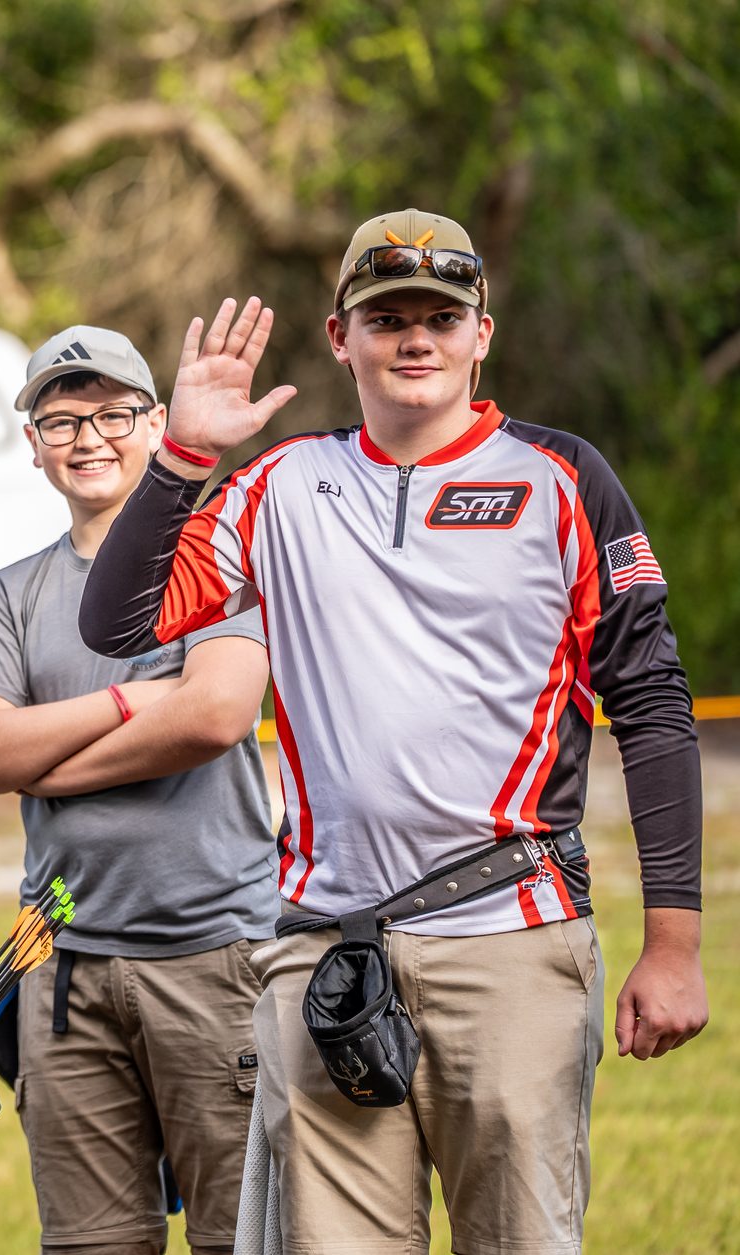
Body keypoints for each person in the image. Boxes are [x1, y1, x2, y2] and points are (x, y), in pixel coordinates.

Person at [79, 209, 707, 1253]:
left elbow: (650, 701)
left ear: (481, 335)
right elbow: (117, 622)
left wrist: (674, 945)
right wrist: (183, 454)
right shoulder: (278, 486)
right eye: (387, 318)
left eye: (440, 317)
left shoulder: (562, 478)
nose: (416, 338)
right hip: (325, 946)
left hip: (512, 936)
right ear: (342, 338)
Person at [0, 325, 275, 1255]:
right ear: (34, 445)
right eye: (62, 421)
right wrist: (132, 699)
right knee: (90, 1242)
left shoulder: (217, 559)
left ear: (156, 424)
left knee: (241, 1235)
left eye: (113, 414)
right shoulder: (12, 592)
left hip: (214, 954)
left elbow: (214, 715)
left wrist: (49, 765)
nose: (88, 437)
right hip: (59, 964)